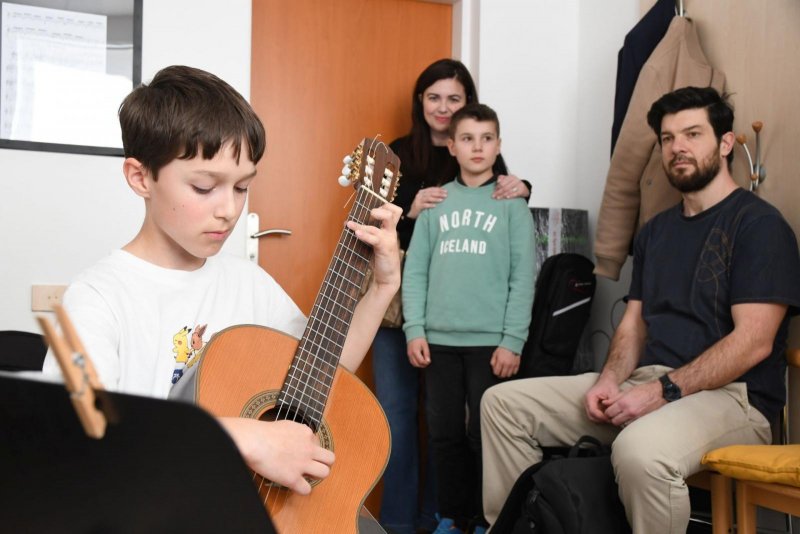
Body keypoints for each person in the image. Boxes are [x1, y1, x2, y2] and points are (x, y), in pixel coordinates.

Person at [40, 65, 402, 497]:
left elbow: (324, 374)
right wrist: (242, 437)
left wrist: (381, 290)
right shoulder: (98, 297)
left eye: (242, 188)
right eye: (204, 187)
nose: (229, 210)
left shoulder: (250, 284)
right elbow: (76, 441)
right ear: (141, 177)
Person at [480, 86, 800, 534]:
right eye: (668, 138)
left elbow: (753, 342)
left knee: (640, 450)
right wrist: (609, 380)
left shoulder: (759, 225)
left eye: (692, 134)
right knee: (503, 405)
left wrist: (660, 392)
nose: (677, 147)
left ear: (726, 143)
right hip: (649, 383)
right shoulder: (655, 231)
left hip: (734, 398)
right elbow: (633, 324)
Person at [376, 58, 531, 534]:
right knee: (409, 420)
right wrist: (409, 210)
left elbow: (519, 261)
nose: (443, 107)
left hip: (482, 333)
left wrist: (525, 187)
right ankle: (411, 522)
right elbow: (388, 239)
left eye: (454, 98)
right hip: (410, 317)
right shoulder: (398, 157)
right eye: (434, 97)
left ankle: (460, 517)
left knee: (475, 431)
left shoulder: (496, 184)